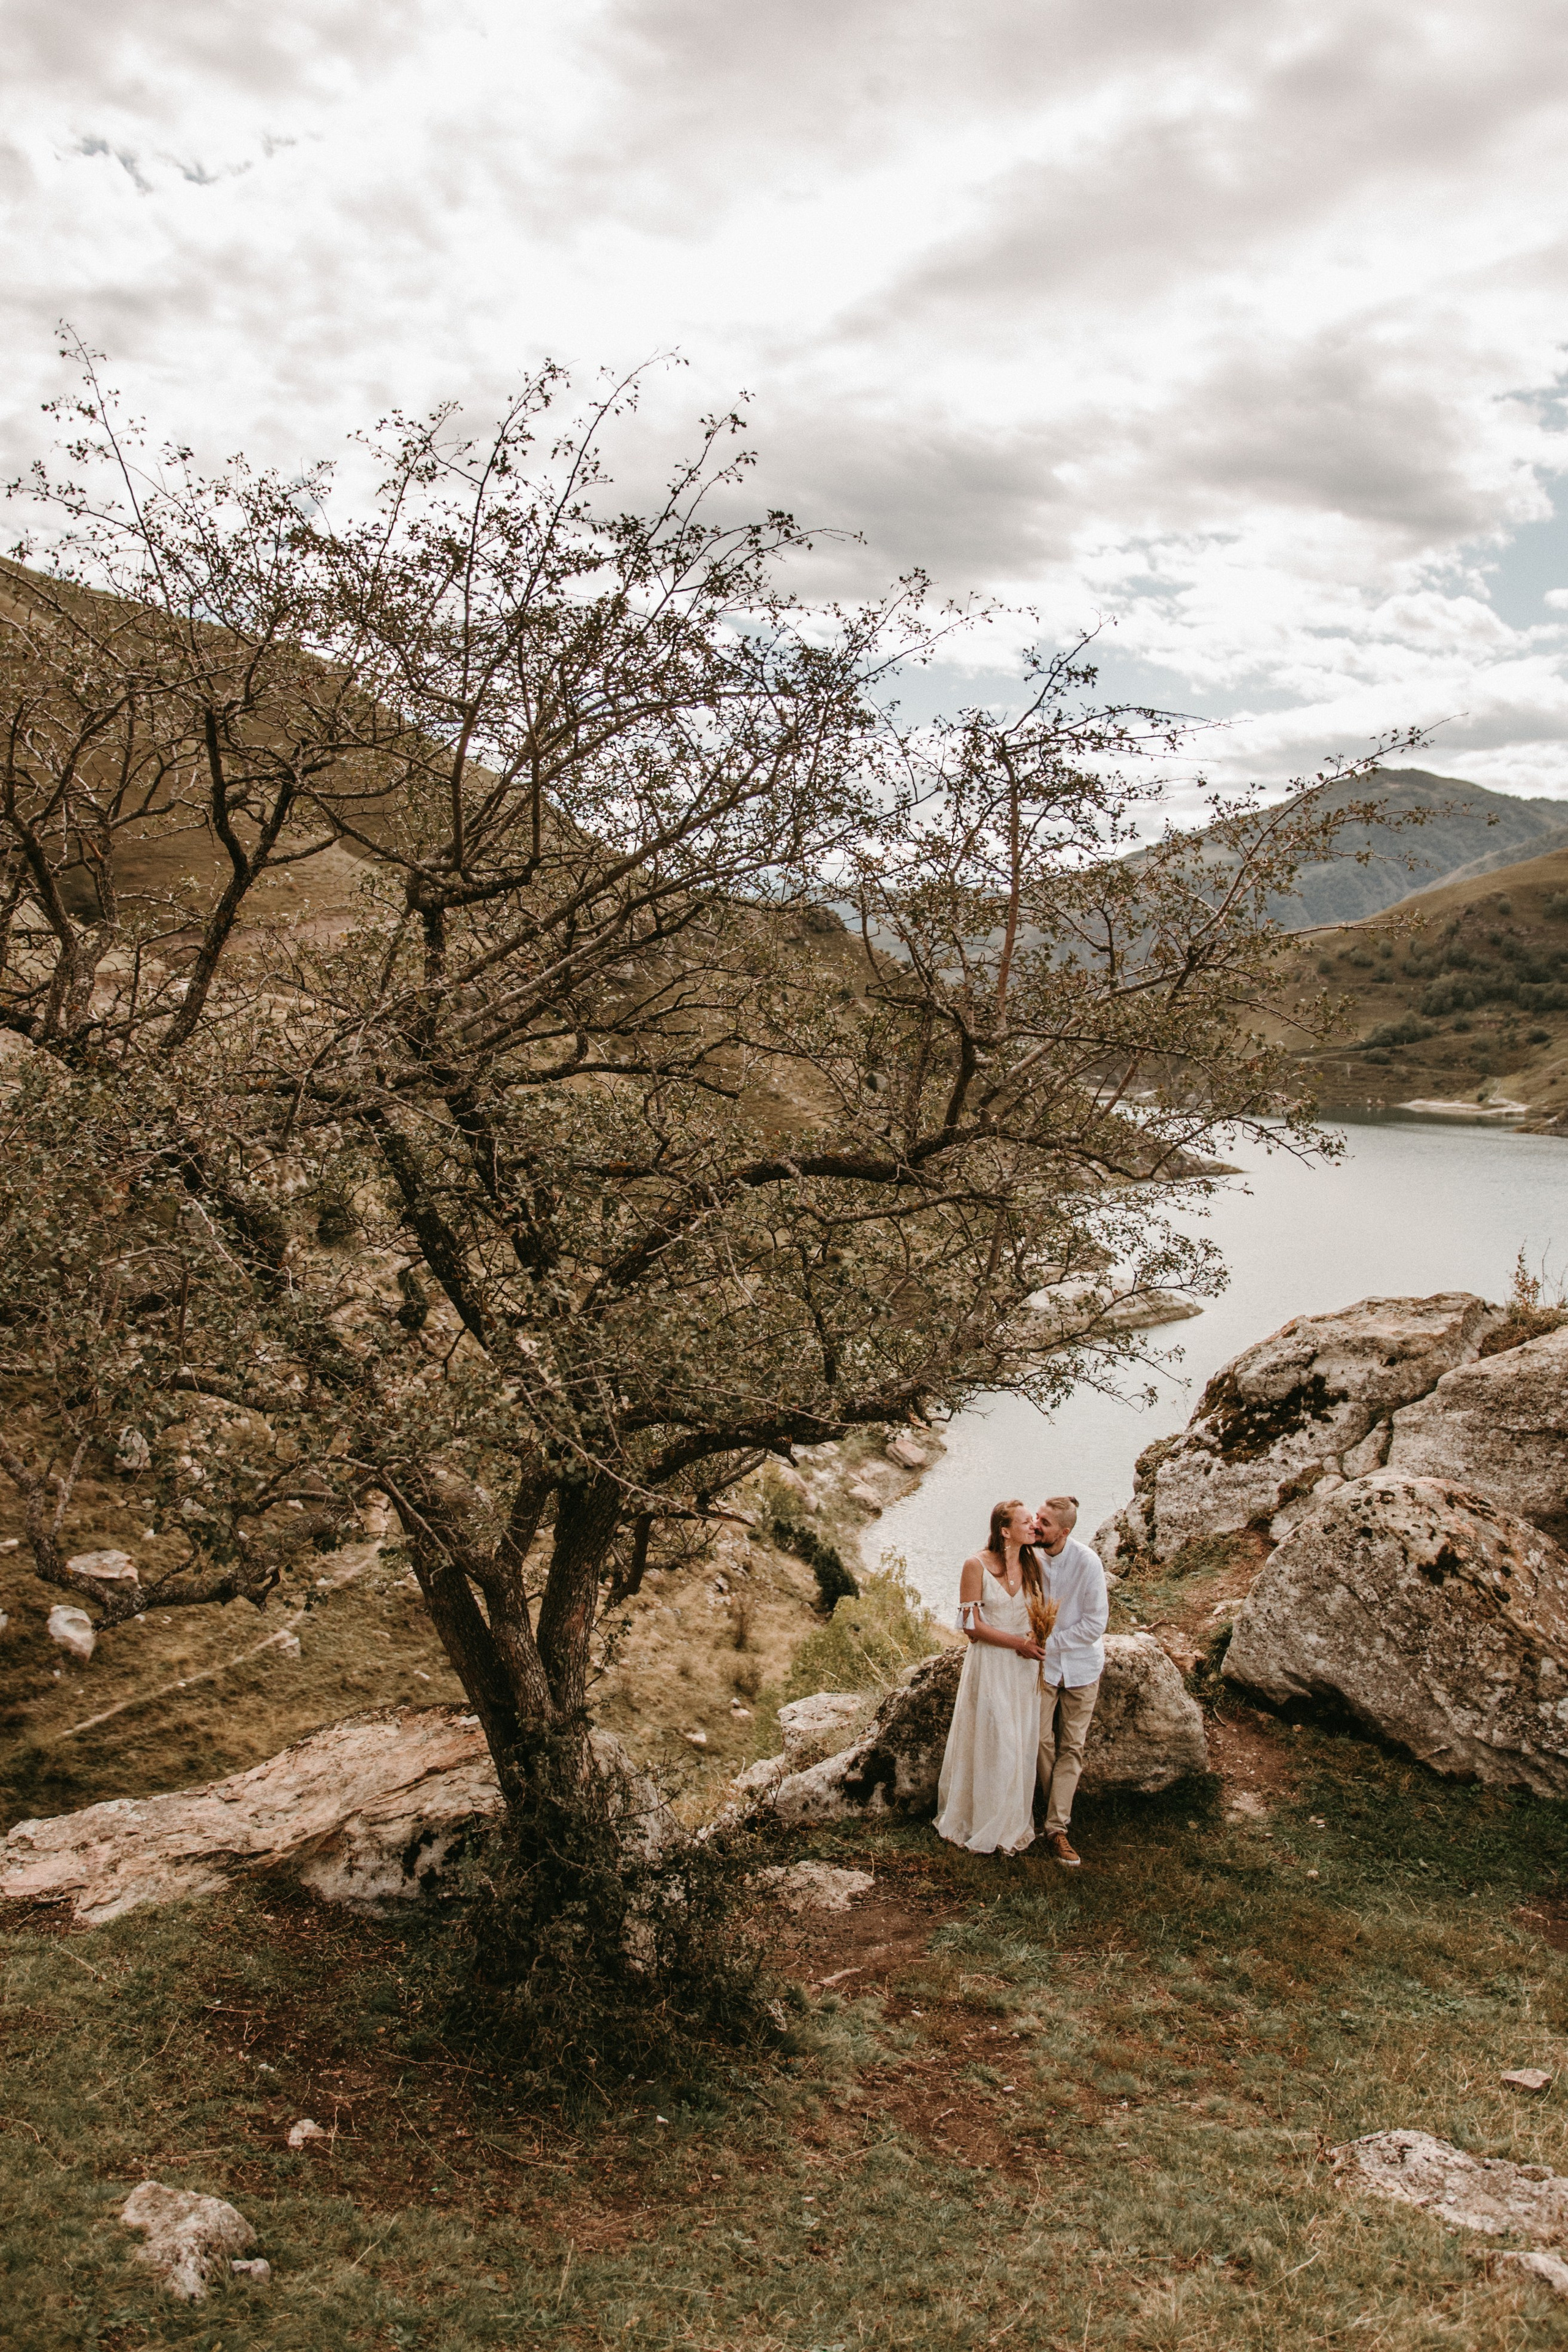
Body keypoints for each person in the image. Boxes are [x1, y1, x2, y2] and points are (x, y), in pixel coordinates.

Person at [934, 1499, 1048, 1856]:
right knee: (995, 1741)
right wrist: (1019, 1644)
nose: (1034, 1527)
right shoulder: (976, 1565)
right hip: (990, 1666)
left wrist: (1036, 1642)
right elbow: (971, 1627)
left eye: (1034, 1522)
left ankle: (1009, 1823)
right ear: (1004, 1530)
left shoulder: (1033, 1565)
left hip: (1022, 1670)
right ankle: (978, 1821)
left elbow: (1039, 1613)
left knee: (1018, 1745)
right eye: (1026, 1521)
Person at [1032, 1494, 1108, 1868]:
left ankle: (1056, 1828)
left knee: (1072, 1747)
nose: (1036, 1524)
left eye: (1044, 1522)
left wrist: (1049, 1641)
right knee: (1040, 1739)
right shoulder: (1030, 1557)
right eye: (1037, 1517)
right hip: (1043, 1669)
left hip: (1081, 1667)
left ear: (1063, 1532)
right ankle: (1053, 1812)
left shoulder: (1088, 1563)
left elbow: (1096, 1624)